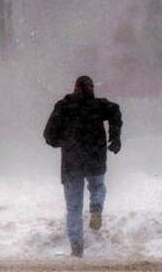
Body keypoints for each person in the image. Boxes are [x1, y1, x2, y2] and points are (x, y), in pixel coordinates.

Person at [43, 75, 122, 258]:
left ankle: (77, 247)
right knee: (98, 186)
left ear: (75, 87)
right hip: (95, 157)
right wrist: (115, 136)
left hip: (72, 162)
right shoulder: (98, 105)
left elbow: (48, 134)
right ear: (91, 88)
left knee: (74, 207)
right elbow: (115, 111)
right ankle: (96, 207)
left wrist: (62, 142)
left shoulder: (64, 106)